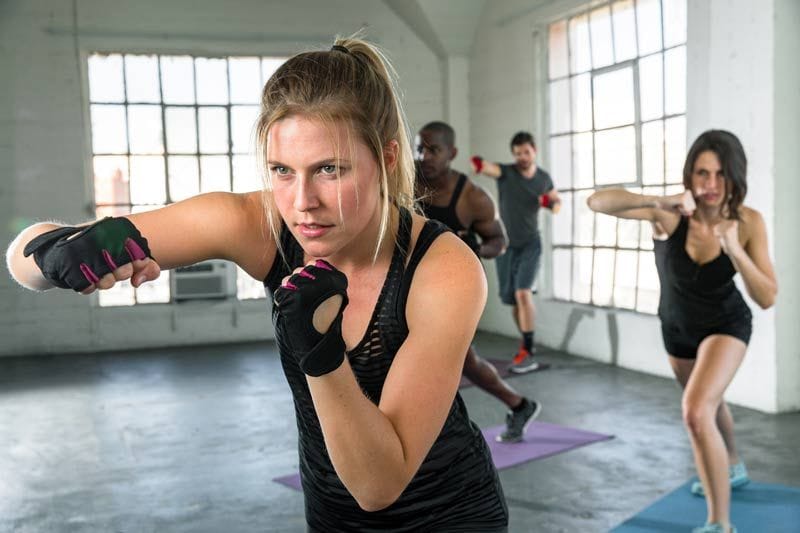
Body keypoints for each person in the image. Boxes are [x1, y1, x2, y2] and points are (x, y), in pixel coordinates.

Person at [6, 38, 509, 531]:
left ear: (389, 158)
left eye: (330, 169)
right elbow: (22, 257)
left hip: (451, 513)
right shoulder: (259, 223)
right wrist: (62, 254)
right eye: (281, 171)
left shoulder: (443, 269)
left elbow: (378, 486)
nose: (302, 202)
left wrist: (319, 350)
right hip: (331, 515)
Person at [587, 130, 777, 533]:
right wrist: (656, 200)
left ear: (735, 176)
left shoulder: (747, 222)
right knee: (711, 402)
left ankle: (719, 523)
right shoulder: (670, 213)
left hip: (727, 324)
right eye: (702, 173)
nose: (710, 185)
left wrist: (736, 250)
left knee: (695, 411)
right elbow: (597, 202)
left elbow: (767, 296)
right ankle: (734, 464)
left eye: (721, 174)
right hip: (676, 329)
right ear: (690, 174)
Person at [415, 121, 541, 443]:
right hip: (413, 285)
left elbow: (499, 240)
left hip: (454, 291)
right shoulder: (405, 179)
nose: (424, 156)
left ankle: (430, 436)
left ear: (452, 153)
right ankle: (519, 404)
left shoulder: (472, 197)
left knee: (440, 359)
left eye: (433, 149)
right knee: (467, 362)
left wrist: (475, 247)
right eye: (420, 148)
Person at [471, 132, 561, 373]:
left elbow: (557, 204)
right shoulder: (507, 172)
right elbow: (491, 169)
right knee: (512, 300)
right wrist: (480, 164)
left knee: (523, 294)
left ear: (535, 151)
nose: (522, 157)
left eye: (526, 152)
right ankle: (525, 342)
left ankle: (528, 349)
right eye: (518, 153)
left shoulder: (543, 178)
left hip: (531, 244)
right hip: (506, 246)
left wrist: (549, 203)